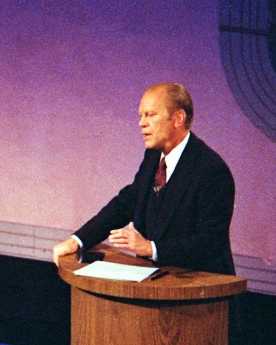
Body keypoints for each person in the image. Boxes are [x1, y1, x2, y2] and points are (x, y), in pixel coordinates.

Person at [52, 82, 236, 275]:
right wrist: (78, 240)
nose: (142, 123)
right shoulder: (153, 156)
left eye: (150, 115)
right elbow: (127, 202)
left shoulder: (211, 170)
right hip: (155, 284)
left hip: (202, 292)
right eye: (141, 115)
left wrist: (151, 248)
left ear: (178, 119)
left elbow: (209, 243)